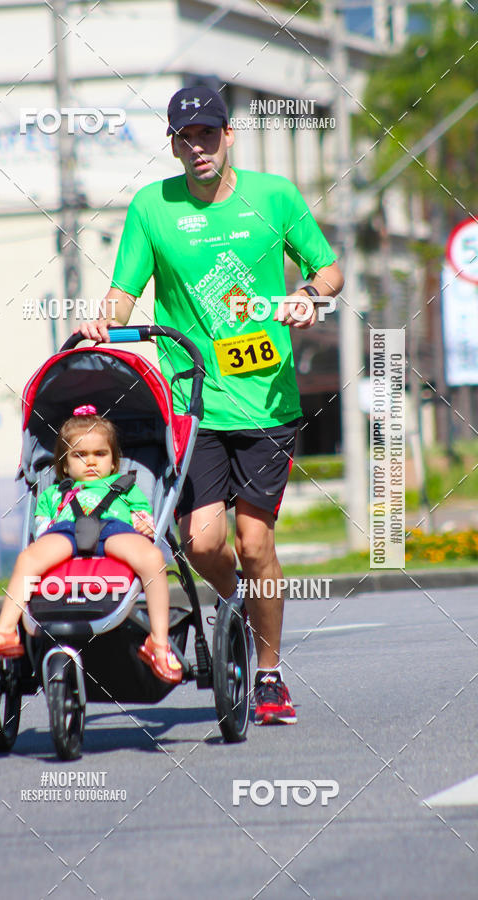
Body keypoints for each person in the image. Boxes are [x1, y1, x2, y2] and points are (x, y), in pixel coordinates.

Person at [80, 85, 344, 723]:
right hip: (192, 401)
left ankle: (271, 672)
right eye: (184, 138)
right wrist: (103, 321)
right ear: (172, 146)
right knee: (201, 544)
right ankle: (241, 613)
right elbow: (124, 291)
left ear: (229, 137)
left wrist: (309, 292)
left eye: (207, 135)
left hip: (266, 398)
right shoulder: (153, 207)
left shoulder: (274, 195)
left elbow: (330, 267)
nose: (197, 148)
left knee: (256, 545)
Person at [0, 406, 182, 684]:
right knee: (29, 558)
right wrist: (42, 537)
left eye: (100, 455)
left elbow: (143, 516)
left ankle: (159, 642)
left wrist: (144, 524)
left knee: (152, 558)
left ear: (114, 462)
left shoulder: (126, 486)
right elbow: (42, 526)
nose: (91, 463)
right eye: (80, 455)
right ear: (65, 464)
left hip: (114, 529)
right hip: (65, 530)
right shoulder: (53, 492)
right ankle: (5, 631)